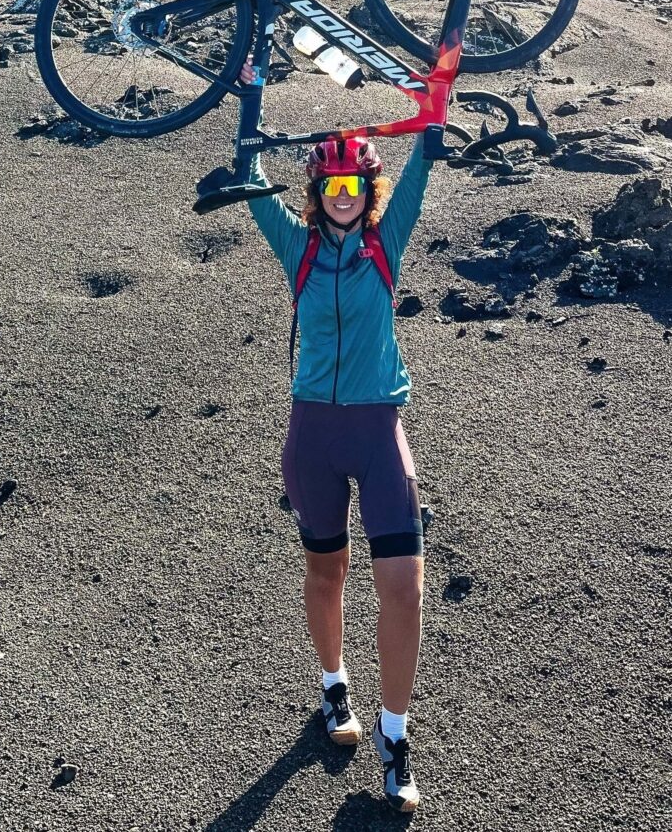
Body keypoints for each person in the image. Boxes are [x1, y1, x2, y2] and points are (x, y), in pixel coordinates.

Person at [239, 59, 432, 813]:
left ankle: (395, 739)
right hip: (311, 437)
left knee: (404, 592)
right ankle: (332, 688)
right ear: (316, 195)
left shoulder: (390, 241)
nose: (343, 198)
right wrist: (251, 89)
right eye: (331, 188)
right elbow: (245, 170)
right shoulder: (301, 249)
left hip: (378, 431)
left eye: (355, 188)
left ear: (370, 192)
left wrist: (433, 100)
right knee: (327, 575)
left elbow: (427, 151)